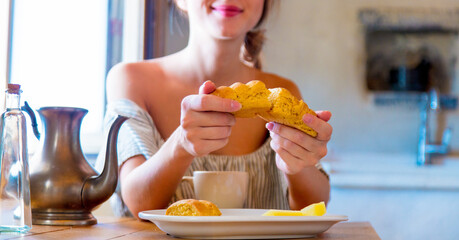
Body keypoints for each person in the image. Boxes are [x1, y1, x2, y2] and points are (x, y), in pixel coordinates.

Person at [96, 0, 332, 218]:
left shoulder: (283, 92)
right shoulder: (130, 80)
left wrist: (297, 162)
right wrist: (181, 144)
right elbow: (138, 203)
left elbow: (313, 206)